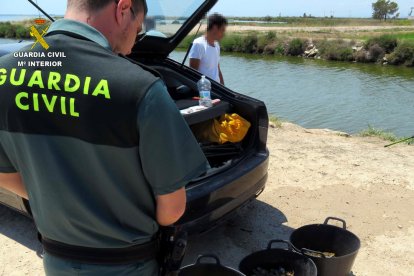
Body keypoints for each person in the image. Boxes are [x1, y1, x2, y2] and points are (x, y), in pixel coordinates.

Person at [0, 0, 208, 275]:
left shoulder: (4, 74)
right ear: (123, 8)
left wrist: (54, 197)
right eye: (138, 29)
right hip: (128, 265)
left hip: (58, 261)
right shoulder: (141, 88)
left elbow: (3, 175)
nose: (134, 45)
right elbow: (172, 209)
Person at [189, 13, 227, 85]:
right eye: (222, 30)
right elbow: (192, 74)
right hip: (205, 91)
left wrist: (224, 87)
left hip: (217, 90)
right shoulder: (199, 44)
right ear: (215, 28)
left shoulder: (216, 45)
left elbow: (217, 69)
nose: (223, 34)